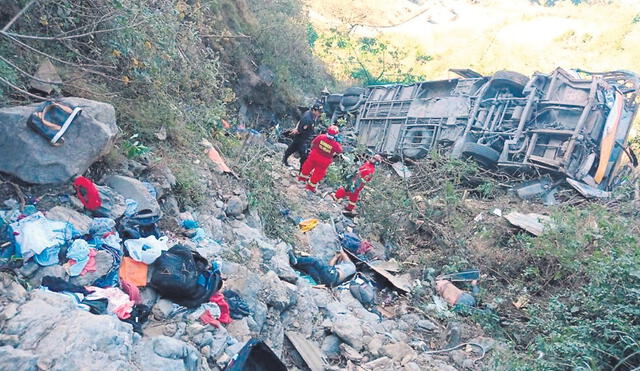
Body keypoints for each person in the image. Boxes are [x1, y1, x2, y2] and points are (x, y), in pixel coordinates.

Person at [298, 125, 343, 192]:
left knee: (307, 167)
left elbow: (313, 143)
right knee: (318, 174)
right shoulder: (336, 144)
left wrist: (313, 150)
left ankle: (301, 180)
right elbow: (340, 151)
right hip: (324, 161)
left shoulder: (321, 136)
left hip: (314, 156)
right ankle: (310, 187)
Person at [283, 103, 323, 169]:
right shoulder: (308, 119)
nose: (320, 113)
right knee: (304, 155)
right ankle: (302, 171)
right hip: (302, 138)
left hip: (303, 136)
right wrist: (296, 130)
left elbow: (300, 122)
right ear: (314, 110)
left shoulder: (310, 114)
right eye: (319, 111)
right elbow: (300, 130)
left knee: (292, 148)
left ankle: (284, 160)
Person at [288, 250, 356, 287]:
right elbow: (330, 267)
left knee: (315, 262)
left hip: (333, 276)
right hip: (327, 281)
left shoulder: (351, 266)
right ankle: (295, 265)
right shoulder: (341, 268)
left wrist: (341, 252)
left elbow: (344, 255)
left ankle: (296, 261)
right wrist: (335, 257)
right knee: (309, 268)